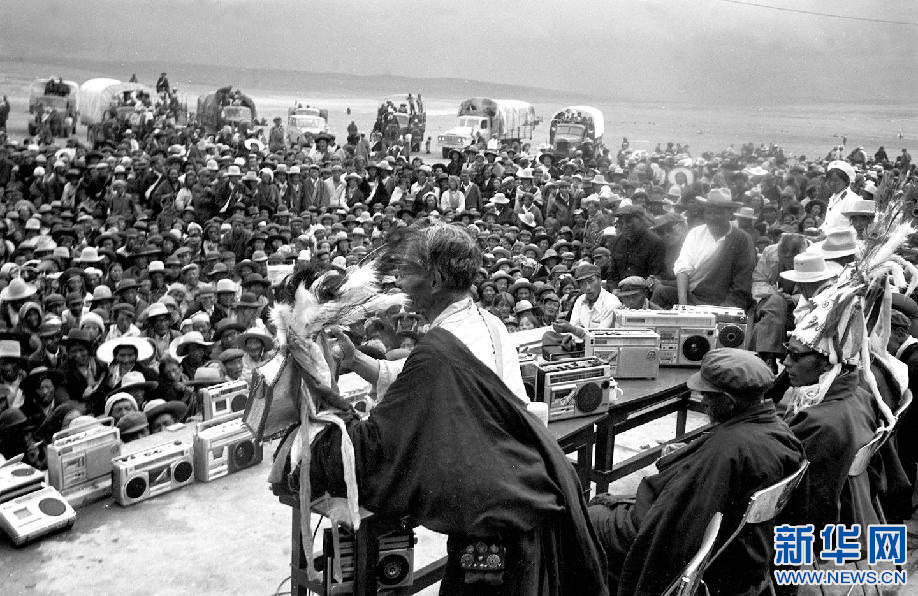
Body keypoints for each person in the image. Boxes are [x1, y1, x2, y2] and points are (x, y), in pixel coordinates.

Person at [312, 224, 608, 594]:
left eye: (407, 272)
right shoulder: (486, 323)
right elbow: (409, 377)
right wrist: (355, 358)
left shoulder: (440, 348)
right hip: (517, 502)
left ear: (435, 280)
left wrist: (325, 392)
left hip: (492, 530)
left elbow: (375, 447)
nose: (400, 283)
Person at [588, 349, 805, 595]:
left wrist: (688, 465)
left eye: (708, 396)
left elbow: (670, 528)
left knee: (588, 518)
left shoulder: (726, 451)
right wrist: (689, 456)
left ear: (728, 402)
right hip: (747, 551)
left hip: (703, 557)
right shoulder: (779, 431)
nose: (703, 402)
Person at [652, 188, 756, 310]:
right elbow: (683, 267)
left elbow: (742, 283)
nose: (712, 217)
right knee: (660, 293)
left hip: (722, 302)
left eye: (718, 213)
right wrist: (683, 304)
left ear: (730, 213)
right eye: (709, 212)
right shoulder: (696, 233)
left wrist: (723, 311)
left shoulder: (742, 239)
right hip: (692, 296)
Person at [553, 263, 620, 341]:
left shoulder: (611, 303)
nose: (587, 287)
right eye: (582, 283)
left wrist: (573, 329)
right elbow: (574, 326)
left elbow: (599, 339)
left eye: (591, 281)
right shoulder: (580, 300)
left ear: (600, 280)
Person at [605, 205, 665, 287]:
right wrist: (613, 289)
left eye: (629, 222)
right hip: (619, 289)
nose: (625, 226)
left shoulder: (655, 243)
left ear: (642, 221)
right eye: (621, 222)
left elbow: (655, 276)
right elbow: (612, 275)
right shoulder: (616, 242)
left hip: (644, 290)